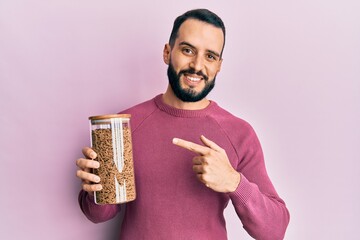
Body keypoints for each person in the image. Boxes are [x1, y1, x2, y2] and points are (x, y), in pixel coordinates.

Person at [76, 8, 290, 240]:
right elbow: (99, 215)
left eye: (210, 56)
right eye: (188, 50)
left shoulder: (239, 133)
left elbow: (274, 230)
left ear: (219, 65)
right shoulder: (125, 125)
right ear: (168, 53)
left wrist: (234, 182)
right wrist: (94, 189)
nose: (197, 66)